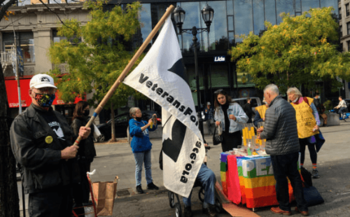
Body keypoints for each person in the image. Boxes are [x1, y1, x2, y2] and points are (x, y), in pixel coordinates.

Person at [10, 74, 91, 217]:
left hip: (67, 188)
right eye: (41, 91)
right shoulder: (22, 122)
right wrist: (60, 155)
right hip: (43, 192)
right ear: (31, 93)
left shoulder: (59, 117)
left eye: (49, 90)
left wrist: (81, 138)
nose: (46, 94)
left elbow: (70, 147)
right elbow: (25, 156)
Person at [257, 84, 308, 216]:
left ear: (268, 94)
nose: (265, 100)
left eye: (264, 97)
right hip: (292, 148)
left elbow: (269, 133)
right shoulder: (288, 106)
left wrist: (261, 134)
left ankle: (284, 207)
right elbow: (283, 126)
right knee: (295, 177)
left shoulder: (272, 109)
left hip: (279, 150)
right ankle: (302, 207)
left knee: (281, 179)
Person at [287, 87, 321, 179]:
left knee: (312, 148)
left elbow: (315, 112)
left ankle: (315, 169)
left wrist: (317, 124)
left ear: (297, 93)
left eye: (291, 94)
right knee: (300, 150)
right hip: (299, 133)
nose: (290, 96)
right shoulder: (290, 105)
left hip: (311, 131)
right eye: (288, 94)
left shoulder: (307, 100)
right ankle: (300, 168)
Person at [71, 101, 97, 214]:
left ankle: (85, 200)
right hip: (81, 157)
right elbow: (78, 140)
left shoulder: (86, 120)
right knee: (82, 180)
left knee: (85, 179)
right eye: (86, 108)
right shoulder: (77, 122)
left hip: (87, 155)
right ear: (81, 109)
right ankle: (81, 202)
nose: (87, 110)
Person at [129, 107, 159, 194]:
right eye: (138, 112)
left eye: (140, 112)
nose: (140, 113)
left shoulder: (143, 121)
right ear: (133, 115)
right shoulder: (132, 122)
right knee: (139, 167)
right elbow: (135, 131)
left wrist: (154, 121)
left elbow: (152, 128)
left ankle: (149, 183)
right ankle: (138, 185)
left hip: (147, 147)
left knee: (148, 166)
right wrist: (147, 124)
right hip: (138, 147)